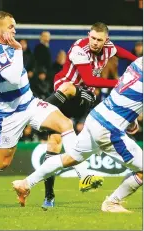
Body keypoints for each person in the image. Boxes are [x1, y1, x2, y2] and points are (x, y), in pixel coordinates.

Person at [0, 11, 91, 207]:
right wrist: (18, 50)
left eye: (14, 26)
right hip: (9, 113)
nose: (14, 30)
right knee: (2, 162)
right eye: (11, 26)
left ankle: (84, 175)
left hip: (30, 103)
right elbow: (14, 77)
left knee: (65, 123)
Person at [12, 57, 143, 213]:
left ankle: (25, 183)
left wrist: (131, 121)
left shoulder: (137, 63)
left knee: (70, 158)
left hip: (96, 118)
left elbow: (126, 92)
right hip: (109, 129)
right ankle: (112, 203)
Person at [39, 22, 137, 210]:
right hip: (63, 94)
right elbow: (91, 78)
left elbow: (131, 58)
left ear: (106, 40)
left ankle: (38, 112)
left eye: (99, 39)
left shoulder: (110, 48)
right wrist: (121, 82)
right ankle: (49, 196)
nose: (95, 42)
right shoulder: (79, 49)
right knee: (53, 145)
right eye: (92, 37)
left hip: (84, 95)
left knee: (70, 89)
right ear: (88, 35)